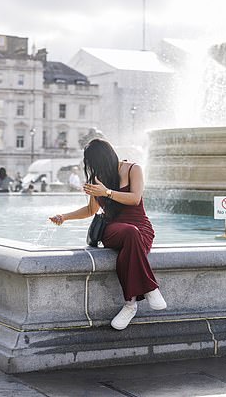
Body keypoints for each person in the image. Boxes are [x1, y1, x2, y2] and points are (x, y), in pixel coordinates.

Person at [49, 139, 166, 330]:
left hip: (141, 228)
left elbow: (135, 199)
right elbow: (90, 210)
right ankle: (150, 288)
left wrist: (108, 192)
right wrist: (64, 217)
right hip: (114, 229)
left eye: (95, 163)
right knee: (129, 233)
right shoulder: (96, 179)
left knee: (133, 236)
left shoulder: (133, 169)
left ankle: (130, 304)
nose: (94, 168)